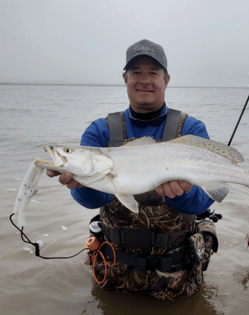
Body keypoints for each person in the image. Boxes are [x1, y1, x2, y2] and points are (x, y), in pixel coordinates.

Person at [47, 39, 218, 300]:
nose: (144, 80)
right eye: (136, 72)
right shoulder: (100, 131)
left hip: (176, 275)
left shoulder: (191, 129)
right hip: (114, 270)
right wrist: (84, 184)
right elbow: (94, 201)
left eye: (153, 72)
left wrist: (181, 194)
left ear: (166, 79)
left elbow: (203, 200)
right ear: (125, 78)